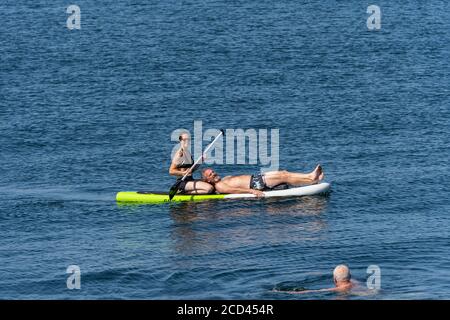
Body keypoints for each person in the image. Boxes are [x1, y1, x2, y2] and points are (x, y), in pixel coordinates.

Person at [201, 165, 325, 197]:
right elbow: (235, 190)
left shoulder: (224, 179)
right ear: (208, 180)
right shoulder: (220, 186)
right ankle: (311, 178)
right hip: (256, 184)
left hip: (257, 178)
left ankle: (310, 178)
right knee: (284, 175)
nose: (214, 173)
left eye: (213, 172)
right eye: (211, 174)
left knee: (284, 173)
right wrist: (252, 191)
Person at [281, 265, 356, 294]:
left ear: (334, 279)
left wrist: (291, 292)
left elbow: (312, 291)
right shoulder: (355, 283)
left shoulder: (336, 290)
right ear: (350, 276)